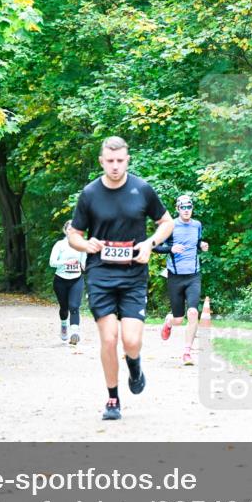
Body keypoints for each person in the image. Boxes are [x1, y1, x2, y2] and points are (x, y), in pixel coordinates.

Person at [67, 136, 174, 421]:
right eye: (109, 161)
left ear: (127, 160)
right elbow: (74, 234)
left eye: (120, 161)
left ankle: (135, 365)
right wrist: (85, 244)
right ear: (101, 161)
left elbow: (167, 222)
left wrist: (150, 243)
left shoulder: (142, 189)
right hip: (100, 273)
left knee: (130, 341)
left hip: (133, 274)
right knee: (109, 338)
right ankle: (113, 398)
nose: (115, 166)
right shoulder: (89, 194)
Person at [154, 194, 209, 365]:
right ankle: (169, 322)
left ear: (192, 208)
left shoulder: (197, 225)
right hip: (175, 277)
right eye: (183, 207)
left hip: (193, 275)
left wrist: (202, 245)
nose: (186, 210)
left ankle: (187, 352)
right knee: (178, 319)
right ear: (177, 209)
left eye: (189, 207)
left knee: (193, 312)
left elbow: (197, 242)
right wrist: (171, 248)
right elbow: (154, 246)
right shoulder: (170, 226)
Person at [49, 220, 87, 344]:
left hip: (76, 279)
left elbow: (84, 263)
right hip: (60, 280)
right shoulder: (59, 245)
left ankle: (75, 333)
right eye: (70, 229)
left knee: (74, 307)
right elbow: (52, 262)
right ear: (65, 231)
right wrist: (65, 262)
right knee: (64, 308)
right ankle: (64, 324)